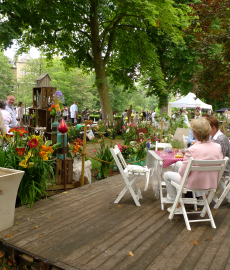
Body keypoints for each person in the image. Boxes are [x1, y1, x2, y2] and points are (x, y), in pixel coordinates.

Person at [163, 117, 223, 214]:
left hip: (193, 184)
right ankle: (181, 202)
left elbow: (182, 173)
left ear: (194, 133)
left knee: (167, 175)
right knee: (178, 164)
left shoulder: (192, 149)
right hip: (211, 183)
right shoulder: (217, 147)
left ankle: (175, 203)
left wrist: (180, 173)